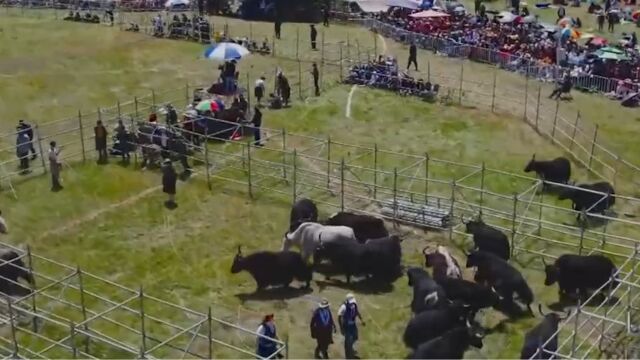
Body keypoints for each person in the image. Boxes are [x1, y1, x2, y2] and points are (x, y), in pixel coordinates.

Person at [338, 293, 365, 359]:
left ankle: (348, 347)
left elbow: (357, 312)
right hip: (347, 326)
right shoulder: (343, 307)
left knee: (355, 337)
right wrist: (341, 327)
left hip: (353, 324)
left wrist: (361, 320)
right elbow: (339, 316)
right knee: (349, 340)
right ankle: (348, 355)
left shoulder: (353, 305)